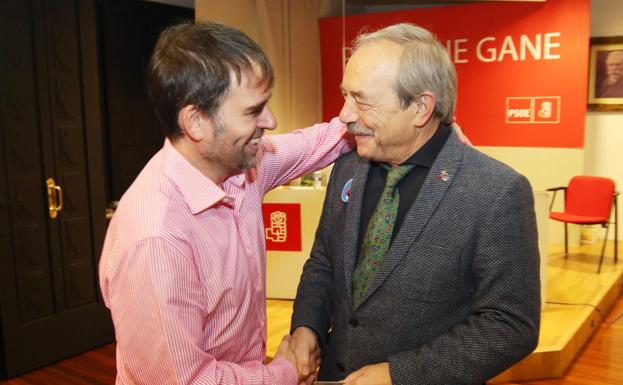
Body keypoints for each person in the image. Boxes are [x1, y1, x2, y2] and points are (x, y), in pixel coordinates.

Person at [98, 21, 353, 385]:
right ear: (196, 122)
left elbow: (316, 143)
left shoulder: (241, 166)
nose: (271, 120)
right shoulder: (155, 240)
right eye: (253, 111)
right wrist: (286, 371)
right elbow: (187, 381)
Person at [290, 23, 540, 385]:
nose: (344, 114)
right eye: (345, 95)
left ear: (421, 108)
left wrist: (400, 374)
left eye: (361, 99)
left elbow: (511, 324)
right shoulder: (348, 167)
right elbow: (324, 262)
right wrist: (306, 327)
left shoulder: (496, 192)